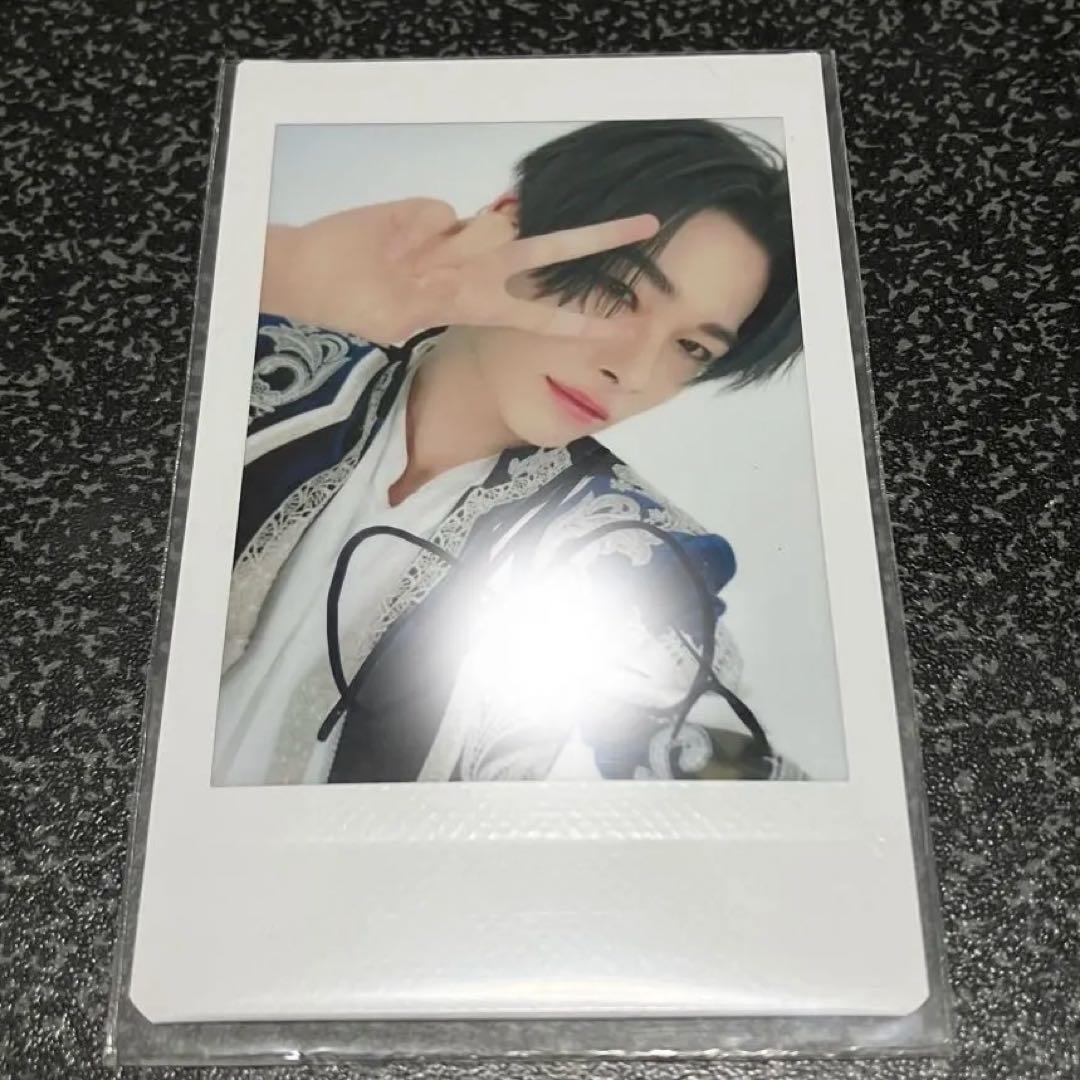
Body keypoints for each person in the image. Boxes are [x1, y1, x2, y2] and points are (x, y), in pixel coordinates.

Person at [211, 119, 805, 786]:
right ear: (505, 225)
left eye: (691, 347)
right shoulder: (264, 367)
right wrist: (282, 270)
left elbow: (705, 758)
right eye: (617, 290)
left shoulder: (632, 555)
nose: (634, 370)